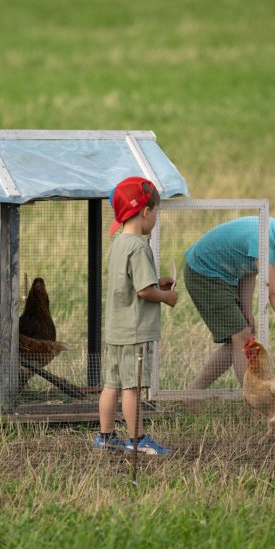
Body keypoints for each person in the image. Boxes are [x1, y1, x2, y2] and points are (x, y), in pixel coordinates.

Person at [184, 203, 275, 389]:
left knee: (238, 341)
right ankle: (258, 403)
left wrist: (246, 310)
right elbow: (274, 293)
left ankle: (193, 393)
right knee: (242, 338)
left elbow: (248, 272)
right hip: (204, 273)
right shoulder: (264, 239)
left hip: (224, 277)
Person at [95, 176, 178, 455]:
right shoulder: (140, 247)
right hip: (134, 331)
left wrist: (158, 281)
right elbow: (144, 291)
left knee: (111, 385)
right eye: (155, 212)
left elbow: (130, 284)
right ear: (145, 212)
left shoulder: (118, 244)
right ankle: (137, 440)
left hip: (116, 330)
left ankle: (105, 437)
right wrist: (166, 296)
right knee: (132, 388)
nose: (154, 218)